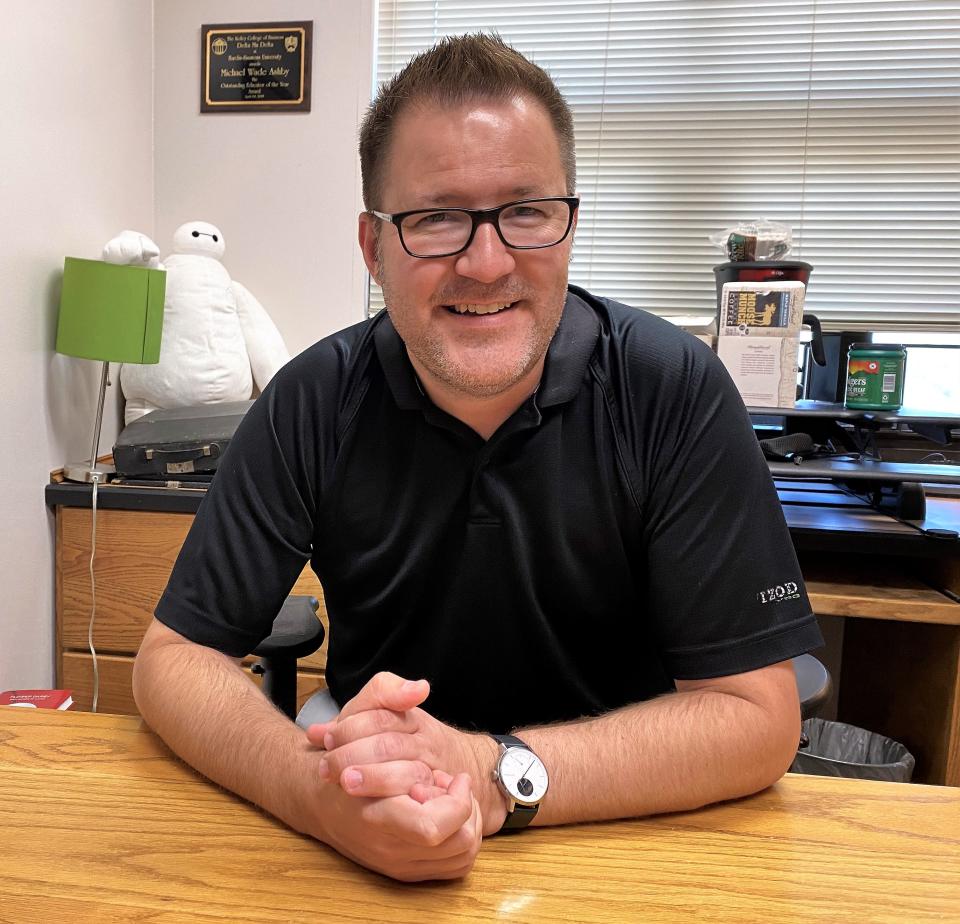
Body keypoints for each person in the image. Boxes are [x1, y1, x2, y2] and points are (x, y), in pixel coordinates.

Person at [132, 33, 823, 882]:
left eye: (526, 211)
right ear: (373, 245)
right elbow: (172, 661)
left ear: (570, 227)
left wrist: (493, 776)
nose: (486, 261)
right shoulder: (313, 399)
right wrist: (315, 792)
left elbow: (757, 718)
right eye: (435, 218)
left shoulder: (672, 390)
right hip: (368, 840)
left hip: (625, 831)